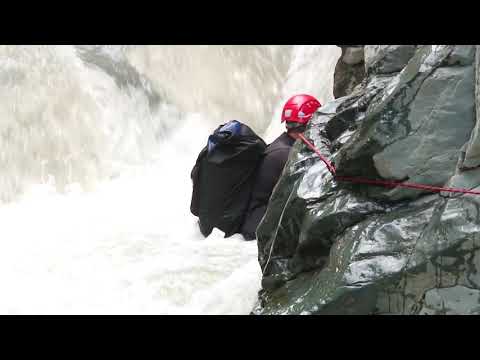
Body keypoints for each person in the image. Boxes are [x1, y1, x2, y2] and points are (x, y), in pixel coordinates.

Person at [241, 94, 321, 240]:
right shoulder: (287, 155)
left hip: (256, 221)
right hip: (260, 228)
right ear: (311, 122)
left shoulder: (283, 145)